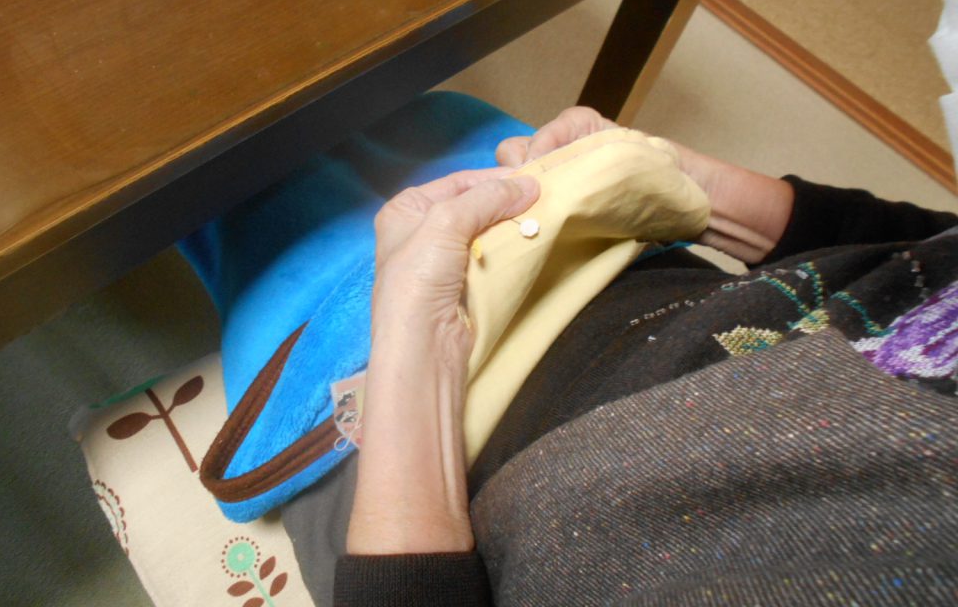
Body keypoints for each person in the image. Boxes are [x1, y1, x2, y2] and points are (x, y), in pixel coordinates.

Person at [332, 106, 958, 606]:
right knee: (428, 118)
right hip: (638, 270)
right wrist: (683, 184)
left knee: (302, 208)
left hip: (427, 481)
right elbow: (928, 253)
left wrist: (410, 355)